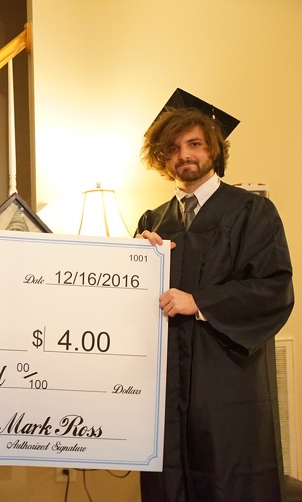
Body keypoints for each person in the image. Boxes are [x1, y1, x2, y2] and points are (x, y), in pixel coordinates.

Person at [135, 88, 294, 501]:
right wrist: (135, 262)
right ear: (162, 158)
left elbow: (273, 287)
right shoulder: (153, 221)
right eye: (173, 148)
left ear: (214, 150)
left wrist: (200, 302)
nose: (184, 155)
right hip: (165, 381)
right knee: (168, 478)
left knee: (229, 475)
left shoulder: (252, 211)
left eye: (194, 144)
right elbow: (132, 305)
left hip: (226, 375)